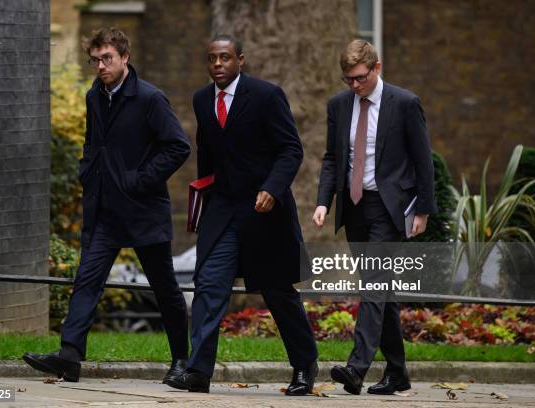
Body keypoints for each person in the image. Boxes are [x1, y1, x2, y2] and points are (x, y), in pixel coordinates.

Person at [23, 27, 191, 383]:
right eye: (95, 60)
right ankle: (69, 355)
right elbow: (93, 143)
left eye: (107, 59)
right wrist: (88, 171)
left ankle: (181, 360)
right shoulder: (94, 96)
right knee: (87, 280)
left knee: (164, 288)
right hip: (105, 211)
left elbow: (178, 146)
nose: (100, 66)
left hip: (144, 211)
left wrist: (139, 179)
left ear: (125, 57)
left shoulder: (150, 98)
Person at [165, 35, 318, 395]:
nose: (217, 64)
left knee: (278, 291)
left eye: (225, 58)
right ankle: (199, 370)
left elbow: (290, 150)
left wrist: (271, 188)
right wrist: (203, 196)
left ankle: (304, 365)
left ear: (240, 60)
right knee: (208, 285)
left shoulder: (266, 95)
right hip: (221, 210)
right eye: (212, 58)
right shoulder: (203, 99)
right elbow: (207, 152)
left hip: (265, 211)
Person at [313, 39, 437, 395]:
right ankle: (397, 373)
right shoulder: (339, 105)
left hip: (389, 207)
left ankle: (357, 368)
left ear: (377, 68)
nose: (355, 85)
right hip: (354, 207)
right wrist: (324, 201)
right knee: (381, 292)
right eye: (348, 79)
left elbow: (423, 159)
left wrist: (424, 209)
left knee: (372, 286)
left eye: (360, 78)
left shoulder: (405, 103)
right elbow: (332, 158)